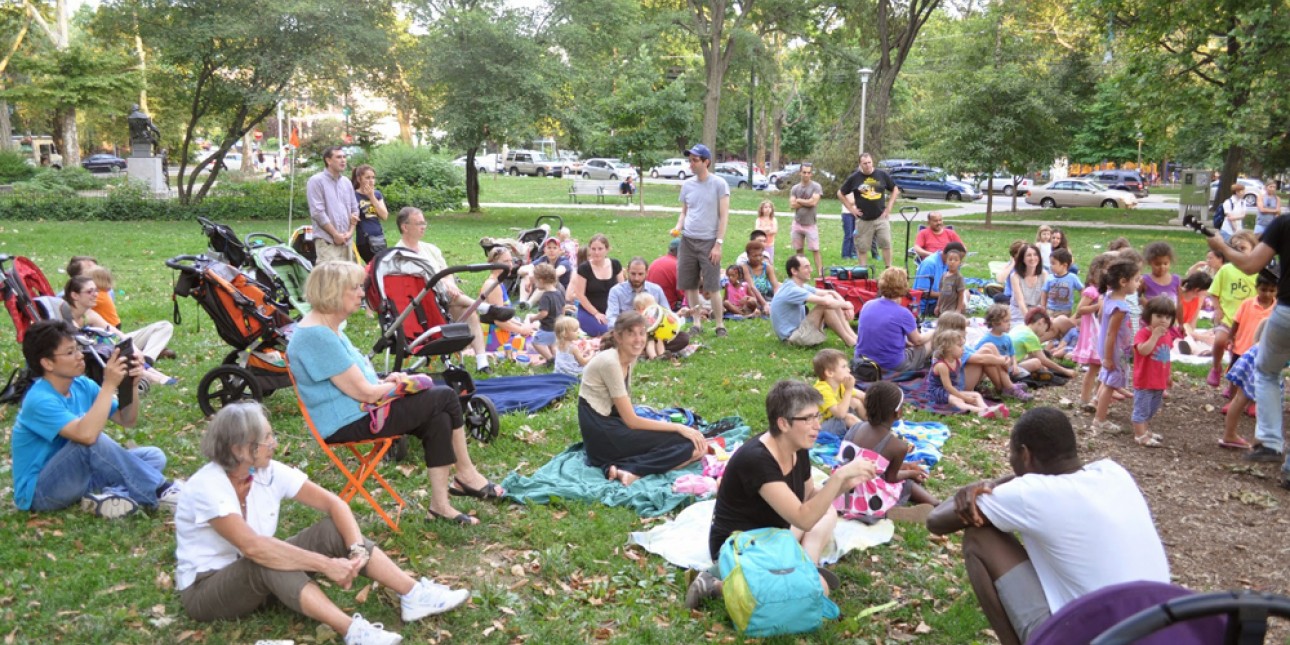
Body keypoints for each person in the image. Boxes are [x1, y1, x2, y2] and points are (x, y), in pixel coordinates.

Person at [174, 403, 469, 645]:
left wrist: (356, 550)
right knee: (265, 557)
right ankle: (353, 631)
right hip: (207, 590)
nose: (274, 443)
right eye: (267, 439)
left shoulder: (266, 471)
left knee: (330, 530)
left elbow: (334, 504)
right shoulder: (207, 486)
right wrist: (326, 565)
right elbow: (254, 547)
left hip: (258, 576)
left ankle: (413, 593)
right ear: (240, 449)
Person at [926, 407, 1170, 645]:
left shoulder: (1029, 494)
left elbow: (935, 521)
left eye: (1011, 454)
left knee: (979, 536)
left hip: (1092, 637)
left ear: (1025, 455)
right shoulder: (1114, 472)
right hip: (1163, 631)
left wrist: (984, 484)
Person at [287, 261, 505, 526]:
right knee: (445, 396)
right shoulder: (318, 337)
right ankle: (466, 474)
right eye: (355, 288)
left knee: (438, 415)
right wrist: (402, 385)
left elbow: (356, 380)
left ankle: (440, 506)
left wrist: (388, 379)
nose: (361, 293)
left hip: (358, 411)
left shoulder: (328, 328)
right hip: (347, 421)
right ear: (333, 291)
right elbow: (366, 394)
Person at [687, 380, 878, 608]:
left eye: (817, 416)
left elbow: (809, 497)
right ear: (783, 424)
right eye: (808, 419)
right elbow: (803, 518)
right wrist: (837, 477)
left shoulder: (799, 446)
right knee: (818, 591)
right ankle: (714, 585)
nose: (817, 425)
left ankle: (808, 563)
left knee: (826, 509)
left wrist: (844, 485)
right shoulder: (757, 460)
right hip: (742, 547)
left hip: (775, 534)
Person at [11, 320, 181, 518]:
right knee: (89, 441)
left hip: (80, 477)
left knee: (153, 456)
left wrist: (130, 385)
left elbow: (127, 419)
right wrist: (109, 384)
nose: (80, 356)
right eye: (69, 352)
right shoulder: (39, 400)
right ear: (47, 363)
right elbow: (87, 437)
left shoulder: (81, 384)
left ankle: (111, 497)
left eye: (77, 349)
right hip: (41, 492)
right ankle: (161, 491)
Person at [577, 312, 706, 486]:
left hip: (612, 425)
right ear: (618, 336)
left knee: (696, 446)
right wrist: (677, 427)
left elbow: (626, 411)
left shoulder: (628, 357)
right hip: (603, 435)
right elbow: (631, 421)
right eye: (631, 333)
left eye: (642, 332)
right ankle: (632, 470)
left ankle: (617, 468)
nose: (638, 339)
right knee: (689, 446)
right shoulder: (610, 362)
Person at [1208, 212, 1290, 475]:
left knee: (1266, 372)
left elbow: (1251, 264)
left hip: (1286, 313)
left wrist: (1221, 246)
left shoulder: (1284, 223)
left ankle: (1270, 442)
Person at [393, 207, 496, 374]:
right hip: (422, 307)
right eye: (419, 223)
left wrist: (450, 284)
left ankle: (482, 363)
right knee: (454, 298)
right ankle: (484, 307)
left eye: (424, 222)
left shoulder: (430, 249)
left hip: (444, 301)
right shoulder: (399, 255)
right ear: (405, 227)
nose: (424, 226)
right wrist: (444, 284)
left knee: (468, 311)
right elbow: (416, 284)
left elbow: (447, 272)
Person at [840, 381, 938, 522]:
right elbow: (891, 477)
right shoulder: (897, 446)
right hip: (866, 500)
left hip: (840, 493)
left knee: (880, 481)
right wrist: (910, 473)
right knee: (906, 484)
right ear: (898, 412)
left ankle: (886, 511)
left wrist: (905, 466)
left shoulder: (856, 427)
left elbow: (869, 459)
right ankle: (936, 505)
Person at [57, 276, 176, 386]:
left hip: (107, 345)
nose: (95, 295)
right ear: (75, 295)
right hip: (91, 353)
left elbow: (114, 332)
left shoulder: (89, 314)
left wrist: (134, 349)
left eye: (96, 291)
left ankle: (146, 362)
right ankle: (149, 373)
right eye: (89, 292)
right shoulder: (63, 317)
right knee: (106, 344)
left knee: (164, 326)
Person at [672, 144, 731, 337]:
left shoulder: (719, 184)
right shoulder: (688, 185)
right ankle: (696, 322)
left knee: (712, 285)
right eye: (690, 160)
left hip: (709, 242)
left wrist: (718, 244)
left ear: (706, 162)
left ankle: (720, 325)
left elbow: (724, 216)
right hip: (688, 240)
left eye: (695, 160)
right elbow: (684, 212)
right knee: (690, 284)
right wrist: (678, 227)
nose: (691, 164)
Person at [1092, 258, 1140, 434]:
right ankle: (1100, 420)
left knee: (1106, 380)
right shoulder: (1120, 307)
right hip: (1114, 351)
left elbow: (1100, 318)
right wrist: (1107, 357)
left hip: (1108, 348)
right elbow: (1112, 333)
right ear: (1123, 282)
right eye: (1136, 279)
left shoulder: (1108, 297)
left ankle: (1100, 410)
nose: (1138, 283)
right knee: (1110, 384)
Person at [1129, 296, 1185, 447]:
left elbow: (1166, 356)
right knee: (1142, 408)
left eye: (1167, 317)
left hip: (1159, 380)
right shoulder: (1143, 333)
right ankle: (1140, 435)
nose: (1163, 320)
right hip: (1145, 380)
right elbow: (1143, 350)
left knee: (1152, 408)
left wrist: (1168, 375)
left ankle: (1145, 429)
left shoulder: (1167, 335)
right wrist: (1154, 336)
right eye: (1159, 316)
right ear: (1149, 316)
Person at [1206, 231, 1258, 387]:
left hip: (1247, 322)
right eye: (1234, 248)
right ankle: (1216, 368)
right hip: (1227, 317)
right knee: (1219, 341)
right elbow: (1214, 293)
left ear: (1254, 250)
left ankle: (1232, 385)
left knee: (1238, 353)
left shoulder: (1257, 272)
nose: (1238, 251)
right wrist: (1217, 309)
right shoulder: (1226, 269)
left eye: (1243, 248)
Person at [853, 267, 929, 374]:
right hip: (892, 364)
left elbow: (882, 331)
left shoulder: (867, 305)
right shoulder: (903, 313)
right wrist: (935, 332)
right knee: (932, 341)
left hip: (863, 360)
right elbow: (918, 341)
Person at [770, 255, 857, 347]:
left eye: (810, 266)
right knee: (825, 305)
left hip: (798, 332)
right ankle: (850, 341)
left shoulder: (798, 285)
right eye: (806, 267)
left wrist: (845, 305)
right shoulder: (792, 289)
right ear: (794, 271)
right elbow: (826, 302)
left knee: (829, 300)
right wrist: (847, 305)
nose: (811, 270)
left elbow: (831, 293)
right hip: (791, 338)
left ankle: (853, 338)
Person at [926, 330, 1008, 418]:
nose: (963, 348)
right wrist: (964, 397)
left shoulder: (958, 361)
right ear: (948, 348)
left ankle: (987, 409)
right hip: (939, 392)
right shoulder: (942, 365)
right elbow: (948, 387)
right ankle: (981, 411)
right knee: (958, 401)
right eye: (960, 346)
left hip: (953, 389)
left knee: (976, 395)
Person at [838, 153, 900, 268]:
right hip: (863, 220)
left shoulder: (881, 175)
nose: (867, 165)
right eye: (864, 163)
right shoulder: (854, 178)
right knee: (862, 247)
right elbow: (840, 193)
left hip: (881, 217)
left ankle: (888, 269)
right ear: (860, 164)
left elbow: (895, 189)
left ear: (872, 162)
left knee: (886, 243)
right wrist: (851, 209)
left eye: (869, 162)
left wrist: (889, 207)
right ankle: (863, 271)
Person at [479, 246, 537, 361]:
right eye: (506, 261)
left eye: (511, 261)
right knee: (540, 342)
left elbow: (505, 317)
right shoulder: (493, 286)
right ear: (493, 264)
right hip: (496, 340)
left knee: (537, 333)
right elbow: (499, 321)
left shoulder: (498, 282)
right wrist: (522, 330)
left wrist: (522, 327)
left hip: (502, 333)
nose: (510, 265)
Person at [306, 146, 361, 264]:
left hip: (347, 241)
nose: (343, 160)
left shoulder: (346, 182)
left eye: (344, 157)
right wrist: (335, 235)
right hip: (327, 242)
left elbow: (354, 209)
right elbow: (317, 213)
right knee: (330, 280)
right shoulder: (316, 181)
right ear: (328, 160)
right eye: (339, 157)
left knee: (348, 280)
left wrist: (350, 232)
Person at [1072, 254, 1111, 411]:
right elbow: (1080, 310)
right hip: (1094, 336)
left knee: (1104, 369)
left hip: (1104, 334)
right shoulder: (1092, 291)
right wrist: (1097, 306)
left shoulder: (1108, 292)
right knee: (1094, 369)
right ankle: (1084, 398)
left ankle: (1097, 398)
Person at [569, 233, 624, 337]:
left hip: (613, 310)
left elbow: (622, 289)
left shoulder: (615, 264)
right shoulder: (584, 269)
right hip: (589, 312)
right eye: (593, 249)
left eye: (600, 249)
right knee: (608, 332)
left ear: (607, 249)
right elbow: (580, 294)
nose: (596, 252)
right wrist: (596, 313)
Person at [811, 348, 866, 436]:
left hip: (833, 418)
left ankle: (872, 425)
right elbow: (840, 414)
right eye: (844, 367)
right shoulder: (822, 390)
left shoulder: (839, 383)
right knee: (849, 418)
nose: (849, 370)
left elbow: (863, 396)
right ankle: (869, 435)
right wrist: (848, 390)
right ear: (829, 373)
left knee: (855, 401)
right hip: (819, 427)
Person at [789, 164, 823, 277]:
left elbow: (814, 202)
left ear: (811, 174)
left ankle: (820, 272)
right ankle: (801, 270)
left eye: (809, 172)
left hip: (810, 224)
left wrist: (799, 200)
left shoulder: (816, 186)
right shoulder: (795, 188)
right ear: (800, 173)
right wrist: (806, 202)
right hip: (797, 223)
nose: (806, 174)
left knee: (815, 249)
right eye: (804, 172)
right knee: (799, 249)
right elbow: (792, 204)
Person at [351, 164, 389, 264]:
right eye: (367, 178)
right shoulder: (353, 195)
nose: (371, 181)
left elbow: (384, 216)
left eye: (373, 178)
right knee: (374, 267)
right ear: (359, 179)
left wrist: (372, 197)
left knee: (381, 267)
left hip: (379, 238)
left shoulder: (377, 194)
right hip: (364, 240)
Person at [527, 264, 564, 362]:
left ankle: (550, 359)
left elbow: (544, 313)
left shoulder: (545, 296)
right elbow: (563, 308)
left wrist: (533, 318)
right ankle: (557, 359)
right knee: (552, 344)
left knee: (536, 343)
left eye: (535, 281)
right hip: (557, 326)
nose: (535, 284)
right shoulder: (558, 292)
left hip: (547, 327)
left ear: (541, 280)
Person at [647, 238, 683, 311]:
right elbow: (684, 296)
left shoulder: (656, 262)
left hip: (650, 307)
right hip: (670, 309)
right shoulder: (677, 266)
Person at [935, 245, 967, 316]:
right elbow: (941, 293)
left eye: (956, 260)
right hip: (943, 308)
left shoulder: (958, 277)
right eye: (950, 259)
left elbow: (961, 295)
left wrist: (958, 309)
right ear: (946, 261)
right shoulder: (944, 275)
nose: (952, 262)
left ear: (960, 263)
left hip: (952, 309)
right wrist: (938, 306)